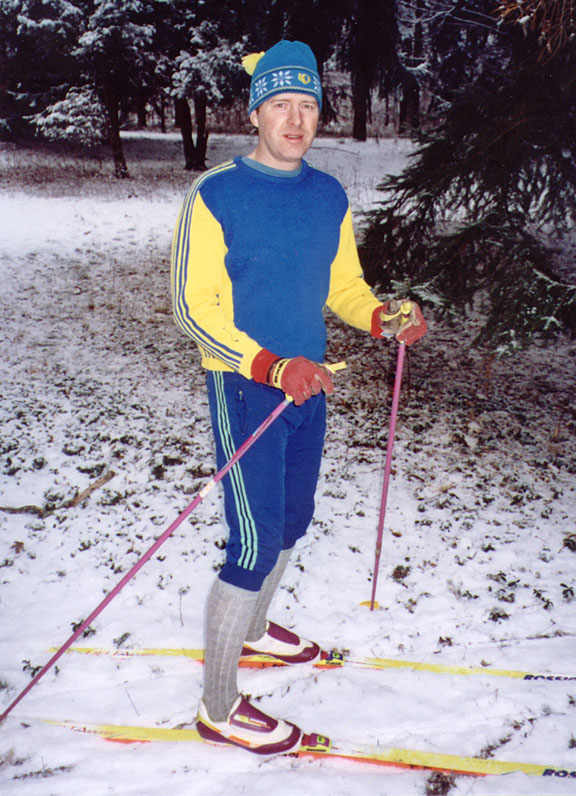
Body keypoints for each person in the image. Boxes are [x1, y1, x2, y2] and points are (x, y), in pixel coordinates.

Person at [171, 40, 427, 756]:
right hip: (246, 386)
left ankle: (253, 631)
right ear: (256, 113)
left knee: (293, 521)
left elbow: (341, 285)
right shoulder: (214, 195)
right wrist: (269, 364)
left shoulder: (327, 195)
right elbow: (194, 310)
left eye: (307, 104)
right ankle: (219, 707)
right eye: (280, 104)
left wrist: (380, 315)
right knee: (252, 543)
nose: (294, 118)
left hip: (309, 385)